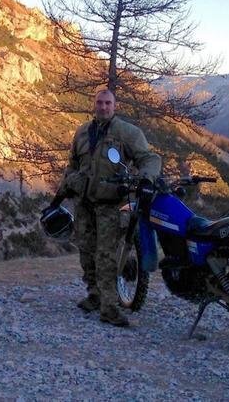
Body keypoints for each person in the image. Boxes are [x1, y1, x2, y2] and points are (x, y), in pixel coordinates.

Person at [55, 88, 161, 327]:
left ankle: (109, 308)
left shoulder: (127, 133)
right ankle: (94, 295)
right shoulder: (82, 132)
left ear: (114, 106)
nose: (103, 107)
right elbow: (72, 164)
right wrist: (65, 187)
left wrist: (147, 179)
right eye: (100, 103)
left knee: (106, 256)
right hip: (84, 203)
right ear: (94, 104)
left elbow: (149, 159)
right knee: (86, 251)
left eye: (107, 103)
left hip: (110, 205)